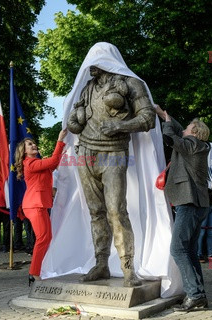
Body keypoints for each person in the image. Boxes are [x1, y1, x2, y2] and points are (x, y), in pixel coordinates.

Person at [67, 58, 156, 287]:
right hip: (85, 153)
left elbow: (148, 118)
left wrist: (120, 126)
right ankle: (101, 264)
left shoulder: (130, 84)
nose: (90, 67)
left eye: (95, 62)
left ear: (108, 61)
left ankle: (128, 269)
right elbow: (76, 124)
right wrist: (73, 121)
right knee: (96, 212)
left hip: (114, 153)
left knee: (116, 211)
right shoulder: (88, 88)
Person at [160, 109, 210, 311]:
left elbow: (170, 136)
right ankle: (199, 294)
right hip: (197, 204)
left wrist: (166, 124)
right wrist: (166, 117)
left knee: (178, 249)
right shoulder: (197, 145)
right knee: (189, 250)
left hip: (189, 203)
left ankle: (195, 294)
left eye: (189, 127)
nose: (185, 129)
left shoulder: (192, 144)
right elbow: (178, 129)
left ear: (195, 132)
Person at [14, 129, 67, 285]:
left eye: (33, 143)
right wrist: (60, 140)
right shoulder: (30, 163)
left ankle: (37, 271)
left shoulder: (36, 163)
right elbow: (52, 162)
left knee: (46, 238)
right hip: (34, 205)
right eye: (30, 144)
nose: (34, 145)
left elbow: (53, 164)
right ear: (24, 152)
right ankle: (34, 273)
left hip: (38, 205)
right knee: (43, 238)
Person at [197, 183, 212, 263]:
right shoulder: (203, 178)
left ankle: (210, 254)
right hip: (204, 206)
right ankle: (198, 254)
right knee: (201, 232)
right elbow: (202, 194)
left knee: (210, 232)